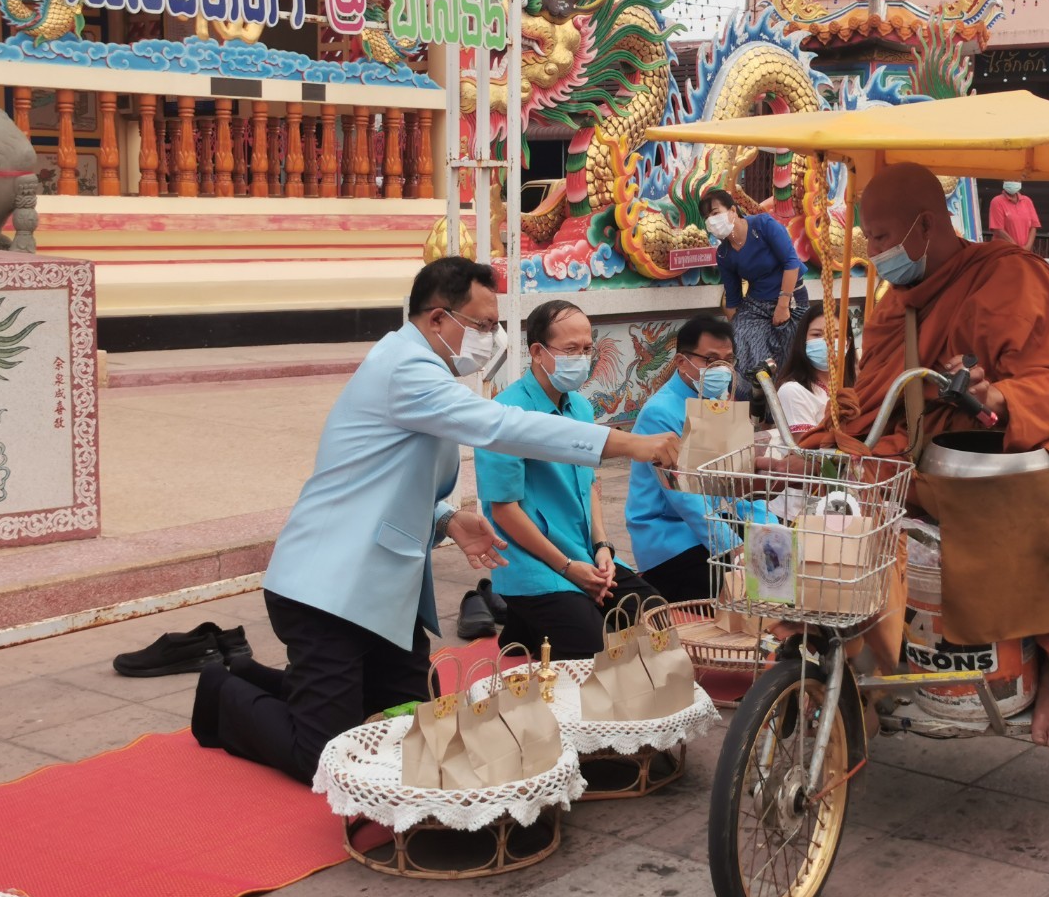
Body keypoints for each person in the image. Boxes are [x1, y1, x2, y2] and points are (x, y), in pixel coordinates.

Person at [189, 257, 679, 784]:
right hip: (325, 587)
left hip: (381, 590)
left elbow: (384, 473)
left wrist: (447, 518)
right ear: (438, 320)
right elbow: (502, 427)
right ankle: (222, 691)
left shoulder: (425, 368)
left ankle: (258, 677)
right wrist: (630, 444)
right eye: (484, 325)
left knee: (411, 723)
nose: (491, 339)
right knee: (323, 757)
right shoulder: (406, 368)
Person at [804, 162, 1049, 751]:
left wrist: (1000, 393)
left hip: (1027, 447)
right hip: (929, 451)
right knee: (842, 497)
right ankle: (846, 660)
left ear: (924, 226)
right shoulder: (896, 300)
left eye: (879, 238)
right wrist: (837, 434)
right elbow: (878, 395)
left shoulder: (1012, 278)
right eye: (868, 239)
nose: (874, 253)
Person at [474, 300, 661, 660]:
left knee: (654, 614)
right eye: (571, 350)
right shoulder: (504, 414)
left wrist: (603, 547)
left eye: (588, 348)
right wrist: (567, 568)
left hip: (583, 554)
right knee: (593, 650)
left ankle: (526, 628)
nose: (583, 358)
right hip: (535, 564)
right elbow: (504, 511)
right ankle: (529, 619)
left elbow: (587, 483)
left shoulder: (580, 406)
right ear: (538, 353)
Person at [626, 315, 750, 600]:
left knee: (787, 553)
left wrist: (766, 524)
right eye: (711, 360)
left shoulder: (716, 401)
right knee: (754, 586)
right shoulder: (660, 413)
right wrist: (735, 547)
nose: (721, 369)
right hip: (669, 538)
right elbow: (685, 496)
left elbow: (731, 479)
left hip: (710, 522)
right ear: (682, 362)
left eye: (727, 360)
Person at [700, 188, 809, 380]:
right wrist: (739, 332)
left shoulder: (763, 224)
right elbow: (733, 299)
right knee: (747, 352)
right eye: (707, 217)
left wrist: (783, 305)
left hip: (790, 297)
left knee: (789, 357)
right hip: (756, 304)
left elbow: (791, 262)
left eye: (715, 212)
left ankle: (784, 399)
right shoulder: (724, 254)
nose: (711, 220)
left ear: (732, 210)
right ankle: (757, 399)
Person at [773, 301, 858, 438]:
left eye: (835, 336)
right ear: (803, 341)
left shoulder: (853, 388)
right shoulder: (793, 391)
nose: (827, 342)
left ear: (847, 343)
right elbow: (807, 451)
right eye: (817, 335)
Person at [988, 180, 1041, 251]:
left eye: (1015, 179)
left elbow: (1034, 226)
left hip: (1024, 251)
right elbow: (998, 229)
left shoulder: (1027, 201)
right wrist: (1016, 247)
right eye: (1009, 179)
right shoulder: (997, 201)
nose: (1012, 181)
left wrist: (1027, 247)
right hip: (1003, 250)